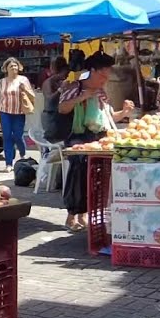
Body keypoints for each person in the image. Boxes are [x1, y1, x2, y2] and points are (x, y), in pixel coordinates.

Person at [58, 54, 133, 231]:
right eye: (103, 75)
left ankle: (85, 214)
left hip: (98, 137)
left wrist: (124, 112)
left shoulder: (102, 92)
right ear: (92, 71)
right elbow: (62, 108)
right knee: (80, 168)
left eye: (107, 76)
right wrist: (83, 96)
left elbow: (108, 116)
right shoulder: (75, 87)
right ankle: (72, 214)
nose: (105, 79)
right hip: (78, 137)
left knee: (97, 175)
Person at [0, 59, 36, 171]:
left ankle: (22, 153)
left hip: (19, 112)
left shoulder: (23, 80)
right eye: (11, 67)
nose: (13, 68)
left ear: (19, 67)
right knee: (7, 137)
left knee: (17, 136)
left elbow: (32, 96)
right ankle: (9, 163)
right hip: (4, 112)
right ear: (6, 69)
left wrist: (24, 89)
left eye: (15, 66)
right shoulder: (2, 82)